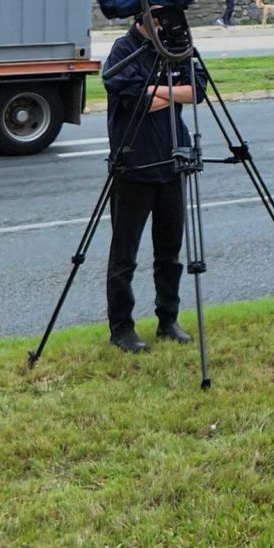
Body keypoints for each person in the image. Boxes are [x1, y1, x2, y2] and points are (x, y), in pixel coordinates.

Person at [101, 20, 200, 351]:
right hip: (134, 166)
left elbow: (198, 88)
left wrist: (155, 90)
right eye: (156, 15)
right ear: (141, 17)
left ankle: (168, 320)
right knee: (124, 257)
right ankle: (121, 329)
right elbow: (132, 100)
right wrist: (172, 93)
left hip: (173, 162)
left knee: (170, 253)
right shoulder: (124, 49)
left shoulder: (175, 44)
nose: (162, 22)